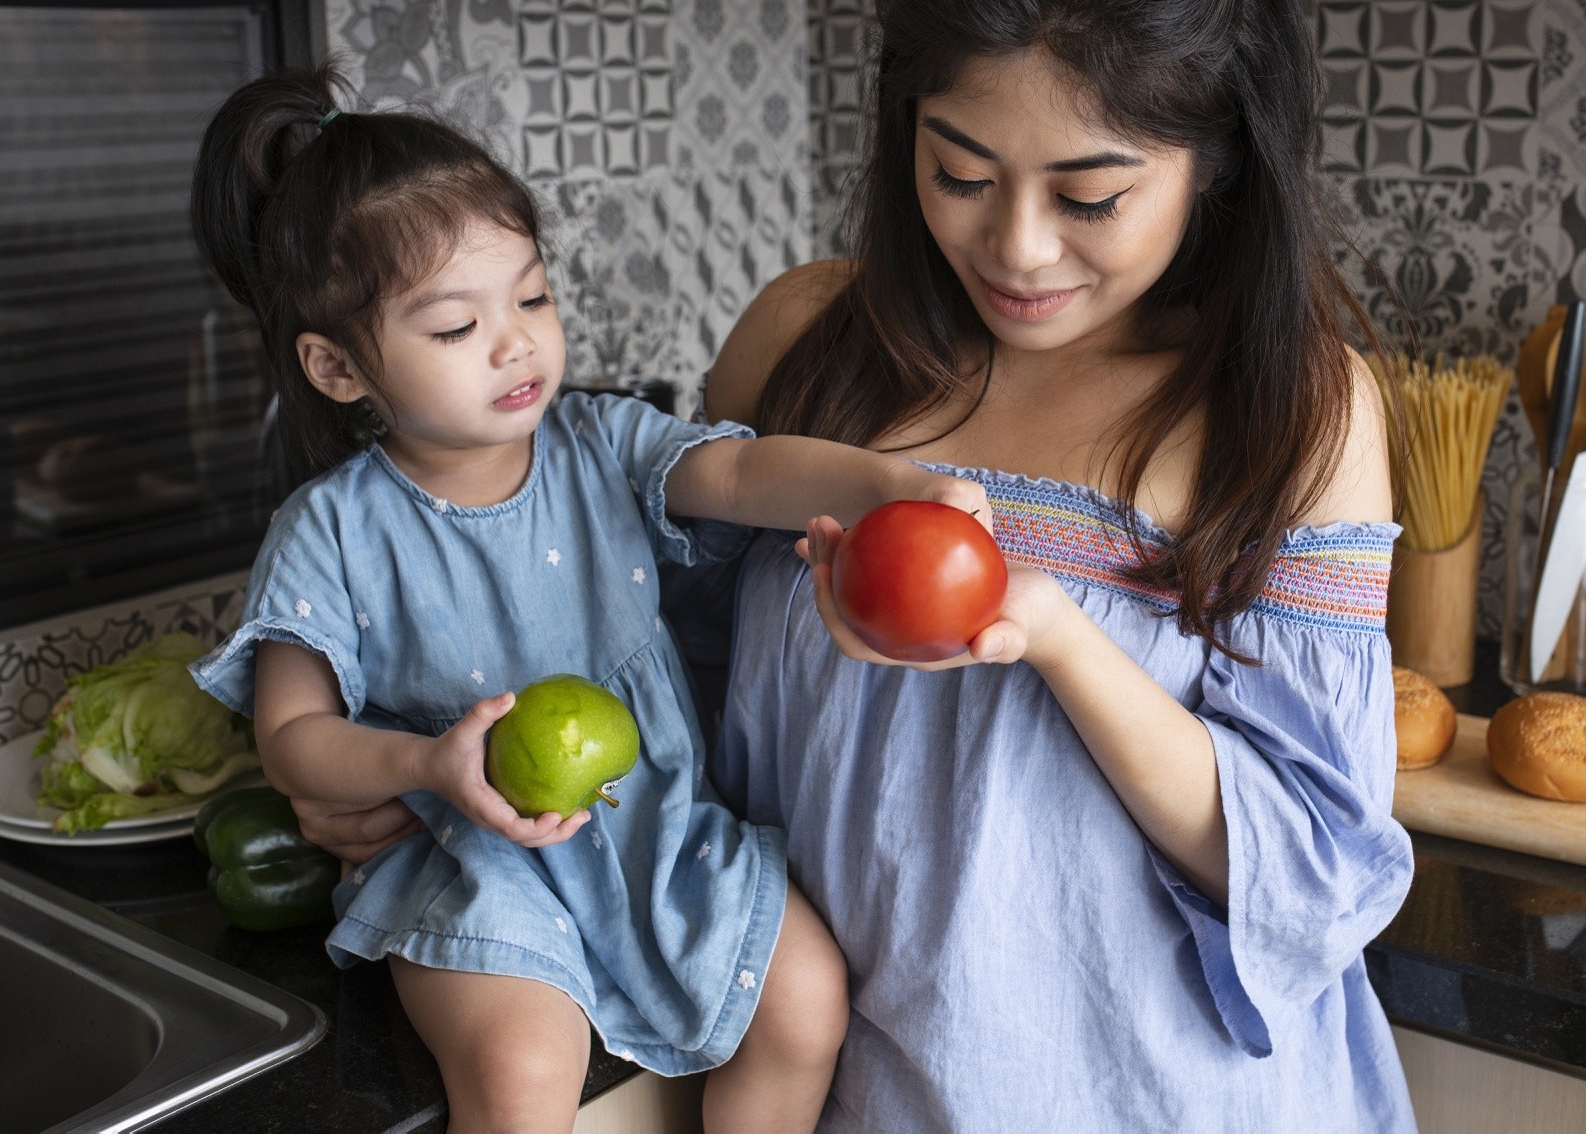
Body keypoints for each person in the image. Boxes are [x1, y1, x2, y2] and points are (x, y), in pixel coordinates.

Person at [703, 0, 1417, 1129]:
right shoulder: (806, 347)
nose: (1018, 248)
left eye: (1091, 196)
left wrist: (1051, 635)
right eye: (960, 172)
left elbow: (1310, 870)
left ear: (1217, 164)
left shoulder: (1289, 411)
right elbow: (657, 670)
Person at [185, 66, 987, 1134]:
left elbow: (743, 479)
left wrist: (889, 482)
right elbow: (292, 739)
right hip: (468, 859)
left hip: (650, 826)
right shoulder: (330, 530)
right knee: (520, 1070)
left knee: (801, 998)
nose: (516, 342)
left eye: (530, 296)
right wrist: (428, 765)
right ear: (336, 368)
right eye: (454, 327)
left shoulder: (600, 445)